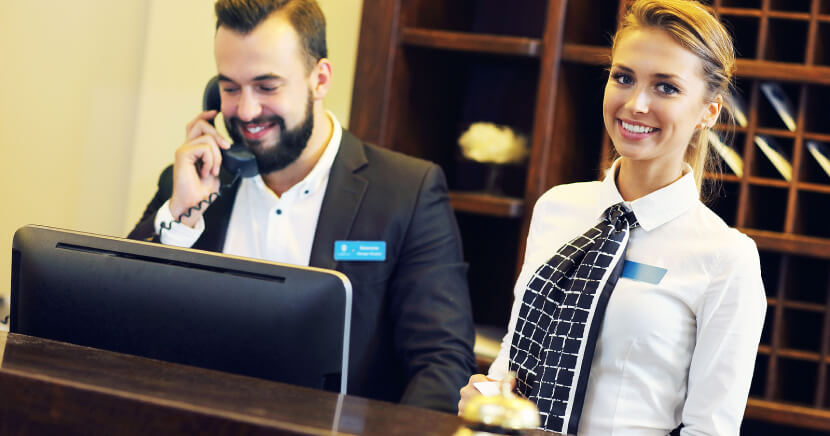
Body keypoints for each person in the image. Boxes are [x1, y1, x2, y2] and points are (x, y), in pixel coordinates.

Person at [128, 0, 476, 413]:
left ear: (320, 79)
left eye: (267, 86)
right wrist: (180, 217)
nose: (246, 111)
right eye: (229, 88)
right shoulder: (191, 183)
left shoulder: (407, 191)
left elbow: (443, 365)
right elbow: (121, 325)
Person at [458, 0, 766, 434]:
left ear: (707, 112)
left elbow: (710, 429)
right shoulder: (556, 208)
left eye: (666, 87)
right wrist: (489, 395)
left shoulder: (726, 259)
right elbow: (516, 356)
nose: (636, 103)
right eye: (623, 78)